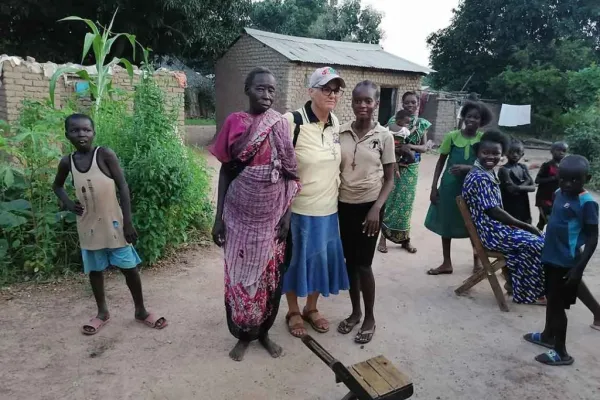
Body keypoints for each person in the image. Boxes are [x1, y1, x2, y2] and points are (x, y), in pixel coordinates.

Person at [210, 68, 300, 361]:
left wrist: (286, 216)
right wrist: (219, 218)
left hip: (272, 220)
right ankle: (243, 334)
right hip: (238, 217)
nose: (267, 95)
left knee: (268, 280)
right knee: (239, 279)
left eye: (272, 90)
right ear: (247, 90)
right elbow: (226, 171)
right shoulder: (234, 122)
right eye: (261, 88)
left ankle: (263, 332)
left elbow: (289, 175)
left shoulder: (280, 124)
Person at [52, 114, 167, 335]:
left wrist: (128, 222)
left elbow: (123, 187)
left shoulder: (104, 155)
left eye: (86, 130)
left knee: (129, 268)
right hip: (88, 225)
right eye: (75, 130)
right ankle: (102, 313)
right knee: (95, 271)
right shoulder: (67, 162)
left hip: (115, 224)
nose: (81, 134)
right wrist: (68, 204)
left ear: (93, 132)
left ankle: (141, 310)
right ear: (67, 135)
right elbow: (57, 186)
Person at [282, 67, 349, 338]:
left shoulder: (336, 123)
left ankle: (311, 308)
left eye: (336, 90)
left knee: (320, 261)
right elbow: (277, 166)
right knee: (294, 262)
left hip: (328, 210)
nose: (332, 95)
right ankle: (293, 311)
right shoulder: (292, 121)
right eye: (325, 89)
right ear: (310, 91)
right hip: (298, 210)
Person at [524, 155, 599, 365]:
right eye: (563, 179)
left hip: (565, 262)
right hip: (550, 256)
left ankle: (561, 352)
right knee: (551, 299)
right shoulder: (559, 193)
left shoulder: (587, 203)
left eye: (574, 180)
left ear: (587, 178)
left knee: (558, 306)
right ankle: (547, 335)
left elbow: (593, 238)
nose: (567, 184)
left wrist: (578, 269)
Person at [337, 81, 395, 344]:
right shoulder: (341, 132)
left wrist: (376, 209)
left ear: (376, 104)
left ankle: (369, 317)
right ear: (352, 102)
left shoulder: (384, 136)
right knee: (350, 263)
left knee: (364, 265)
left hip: (370, 208)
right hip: (344, 206)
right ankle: (355, 312)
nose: (362, 105)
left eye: (368, 101)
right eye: (358, 100)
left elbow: (390, 179)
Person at [462, 130, 546, 304]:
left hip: (496, 229)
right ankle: (527, 292)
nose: (490, 157)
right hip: (491, 234)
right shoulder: (480, 177)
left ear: (502, 155)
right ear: (478, 152)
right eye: (485, 152)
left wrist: (517, 225)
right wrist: (524, 225)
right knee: (537, 243)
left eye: (496, 153)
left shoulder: (487, 171)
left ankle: (518, 286)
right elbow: (493, 211)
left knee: (542, 239)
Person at [425, 101, 492, 275]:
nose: (472, 120)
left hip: (473, 188)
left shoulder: (483, 139)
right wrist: (434, 187)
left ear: (482, 121)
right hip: (450, 187)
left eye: (476, 117)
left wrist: (467, 168)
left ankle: (477, 261)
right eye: (469, 116)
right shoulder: (452, 136)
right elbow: (440, 162)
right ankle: (446, 263)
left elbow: (488, 164)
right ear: (463, 117)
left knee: (473, 224)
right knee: (446, 222)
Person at [377, 91, 432, 254]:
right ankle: (383, 238)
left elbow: (424, 148)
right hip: (393, 164)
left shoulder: (422, 124)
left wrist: (409, 147)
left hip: (411, 169)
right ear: (402, 103)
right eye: (407, 102)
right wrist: (397, 149)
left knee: (406, 204)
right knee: (389, 201)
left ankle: (405, 240)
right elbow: (384, 140)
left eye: (413, 102)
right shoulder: (393, 121)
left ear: (418, 104)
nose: (410, 105)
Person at [499, 139, 535, 224]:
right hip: (510, 205)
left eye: (518, 152)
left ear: (522, 154)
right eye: (511, 152)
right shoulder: (504, 170)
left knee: (525, 224)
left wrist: (518, 187)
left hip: (523, 204)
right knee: (512, 225)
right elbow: (511, 190)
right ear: (506, 153)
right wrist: (527, 181)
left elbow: (533, 188)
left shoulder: (523, 167)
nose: (515, 155)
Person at [535, 142, 568, 230]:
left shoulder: (565, 166)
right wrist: (554, 178)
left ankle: (538, 235)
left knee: (544, 221)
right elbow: (537, 180)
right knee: (548, 220)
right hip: (545, 198)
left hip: (557, 199)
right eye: (558, 150)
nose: (561, 153)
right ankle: (541, 236)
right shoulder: (547, 165)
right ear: (552, 151)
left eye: (564, 151)